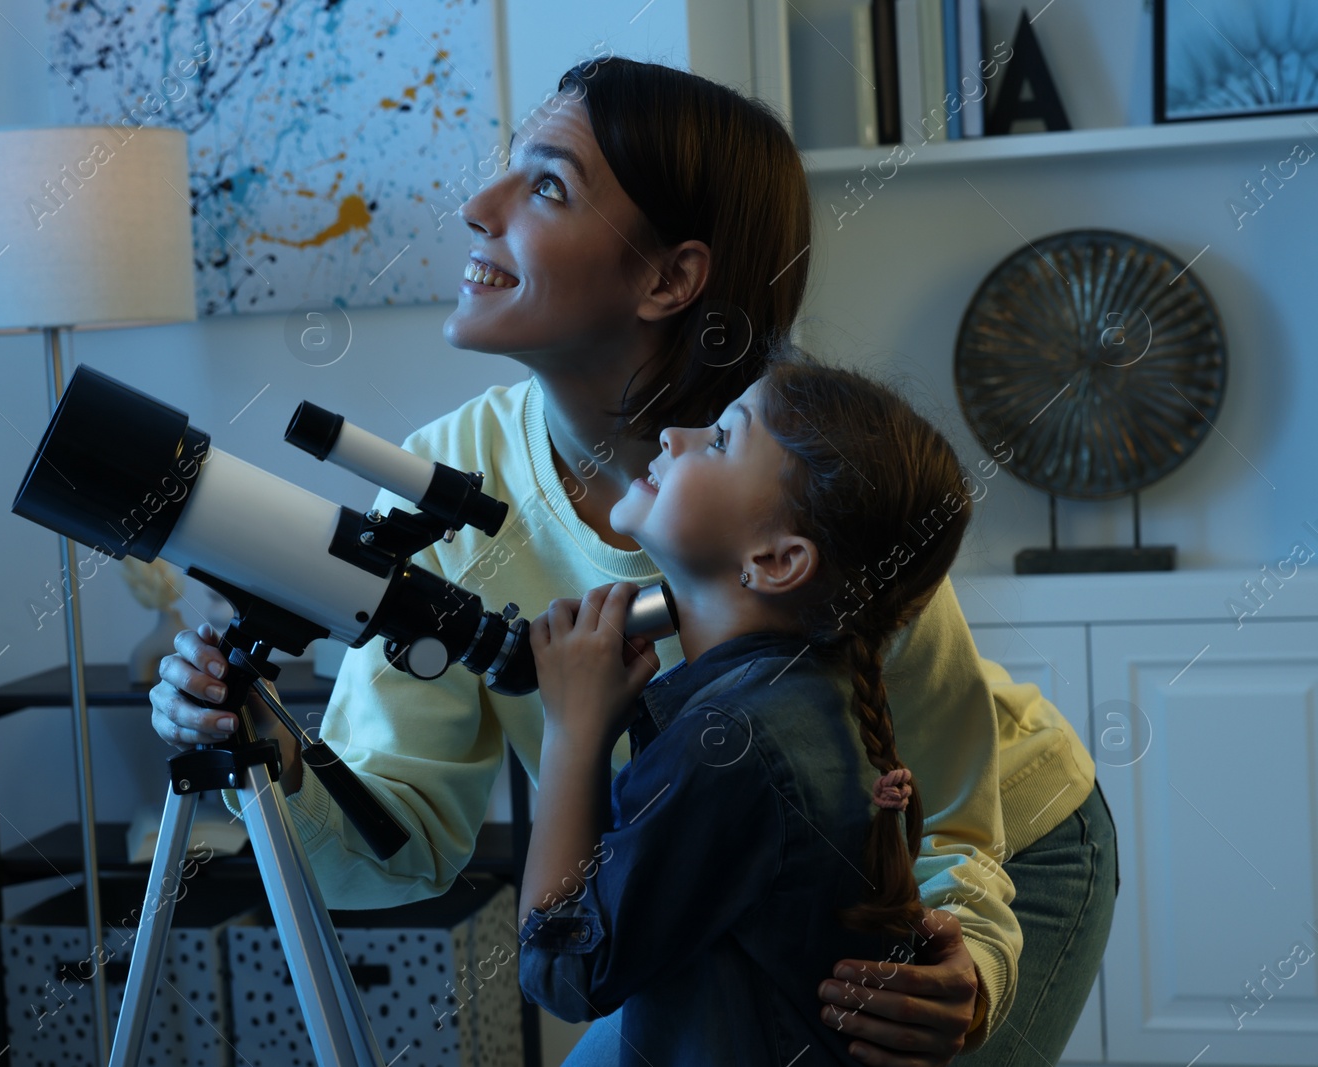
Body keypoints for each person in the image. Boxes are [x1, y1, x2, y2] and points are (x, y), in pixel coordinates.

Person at [151, 57, 1115, 1065]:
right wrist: (271, 754)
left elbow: (953, 811)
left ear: (669, 277)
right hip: (709, 858)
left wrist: (975, 968)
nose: (478, 208)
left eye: (547, 185)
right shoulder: (445, 481)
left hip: (987, 857)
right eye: (505, 174)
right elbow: (406, 844)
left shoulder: (805, 473)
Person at [518, 351, 973, 1065]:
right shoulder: (807, 701)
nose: (676, 434)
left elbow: (566, 972)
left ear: (776, 561)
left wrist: (571, 732)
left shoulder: (727, 742)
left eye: (723, 439)